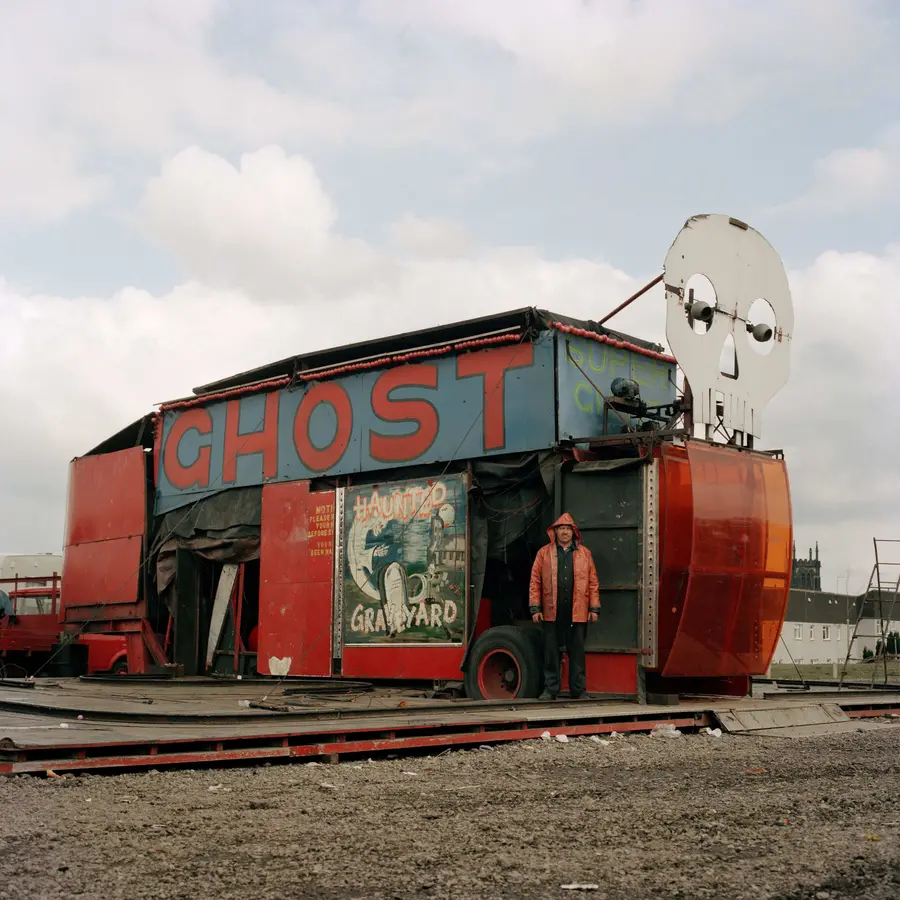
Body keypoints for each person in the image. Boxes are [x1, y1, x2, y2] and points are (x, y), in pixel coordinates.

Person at [528, 513, 600, 700]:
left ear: (573, 532)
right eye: (562, 529)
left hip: (578, 612)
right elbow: (535, 581)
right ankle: (550, 690)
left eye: (568, 529)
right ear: (555, 532)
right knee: (550, 652)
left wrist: (594, 608)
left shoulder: (585, 553)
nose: (565, 532)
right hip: (552, 612)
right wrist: (535, 608)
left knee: (577, 652)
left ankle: (579, 690)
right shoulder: (543, 553)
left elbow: (593, 582)